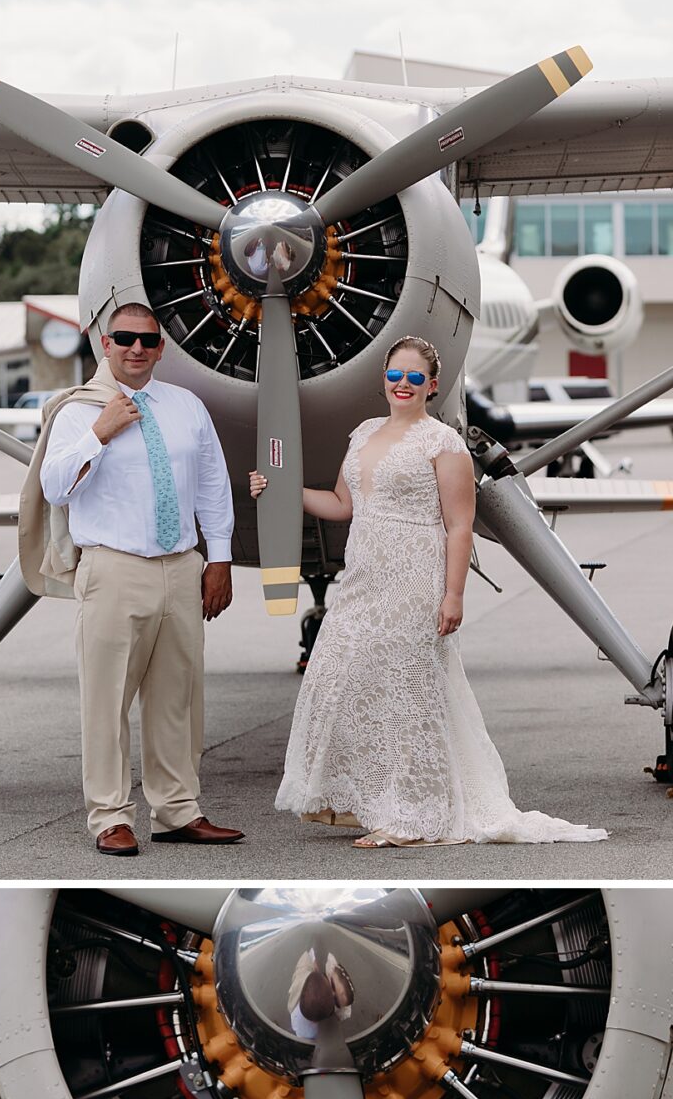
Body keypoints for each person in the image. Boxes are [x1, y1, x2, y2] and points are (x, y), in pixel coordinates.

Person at [252, 335, 607, 848]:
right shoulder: (364, 434)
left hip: (414, 577)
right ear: (384, 380)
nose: (403, 384)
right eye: (395, 375)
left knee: (406, 695)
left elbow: (460, 526)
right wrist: (283, 490)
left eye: (415, 377)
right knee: (339, 675)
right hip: (363, 578)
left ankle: (412, 817)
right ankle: (364, 799)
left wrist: (454, 595)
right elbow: (340, 503)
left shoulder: (443, 443)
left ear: (432, 385)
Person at [39, 300, 244, 856]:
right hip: (113, 568)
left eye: (148, 340)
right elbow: (54, 486)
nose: (137, 348)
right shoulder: (77, 412)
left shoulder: (185, 406)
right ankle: (109, 817)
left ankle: (178, 811)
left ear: (161, 347)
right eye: (125, 338)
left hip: (181, 567)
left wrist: (217, 558)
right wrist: (100, 434)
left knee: (178, 697)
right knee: (106, 701)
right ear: (103, 343)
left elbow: (211, 485)